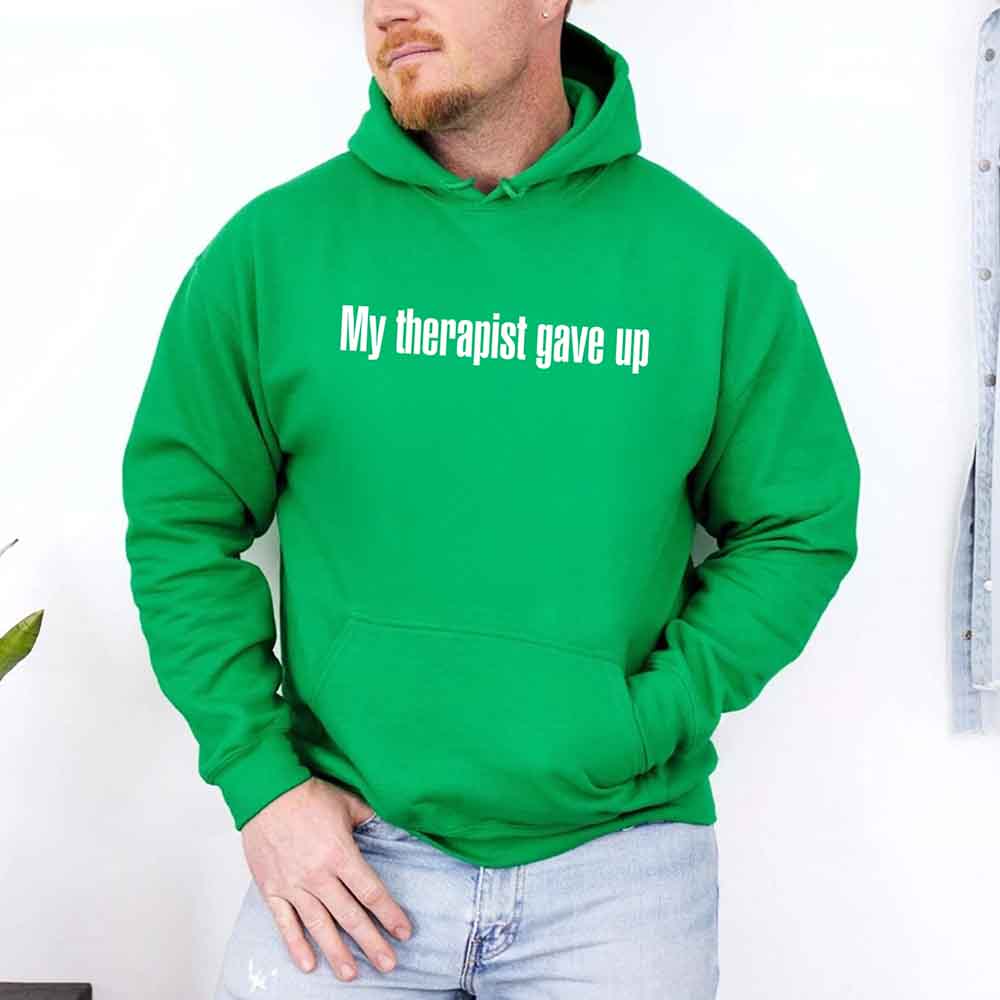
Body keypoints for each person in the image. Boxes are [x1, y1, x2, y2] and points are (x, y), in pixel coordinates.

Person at [121, 2, 861, 997]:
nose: (389, 8)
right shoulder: (274, 253)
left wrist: (649, 716)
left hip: (620, 870)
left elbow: (799, 523)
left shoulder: (707, 267)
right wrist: (260, 781)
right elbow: (181, 522)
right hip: (346, 855)